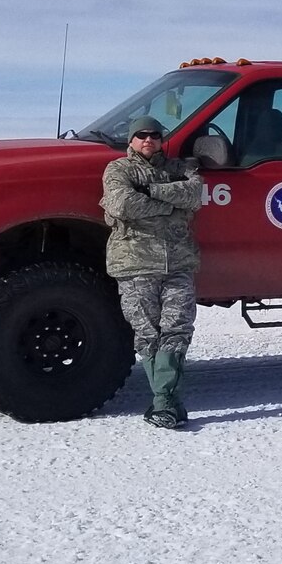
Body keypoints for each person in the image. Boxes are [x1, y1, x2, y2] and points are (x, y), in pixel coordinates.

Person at [100, 115, 205, 429]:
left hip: (178, 261)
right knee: (148, 334)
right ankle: (167, 403)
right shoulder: (118, 169)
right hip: (135, 263)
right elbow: (122, 204)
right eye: (141, 135)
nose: (148, 139)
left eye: (154, 135)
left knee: (177, 330)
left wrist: (148, 190)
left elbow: (193, 194)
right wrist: (170, 205)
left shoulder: (179, 168)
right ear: (131, 140)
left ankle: (164, 403)